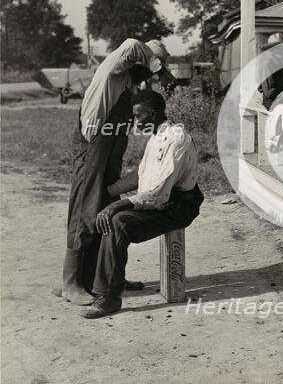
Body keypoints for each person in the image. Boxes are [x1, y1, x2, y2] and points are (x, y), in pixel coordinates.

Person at [57, 38, 176, 305]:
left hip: (109, 148)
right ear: (144, 62)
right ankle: (71, 282)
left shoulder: (127, 83)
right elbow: (134, 44)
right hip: (93, 147)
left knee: (106, 206)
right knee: (85, 208)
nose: (148, 77)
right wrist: (160, 69)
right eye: (149, 69)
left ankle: (105, 278)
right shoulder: (115, 67)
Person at [82, 90, 203, 318]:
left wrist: (115, 206)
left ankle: (109, 297)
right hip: (163, 201)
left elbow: (156, 195)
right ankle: (110, 279)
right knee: (107, 212)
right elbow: (142, 175)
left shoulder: (176, 140)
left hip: (179, 207)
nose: (135, 122)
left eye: (138, 116)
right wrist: (107, 193)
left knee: (118, 221)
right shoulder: (157, 135)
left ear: (153, 113)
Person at [257, 32, 283, 110]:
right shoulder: (267, 65)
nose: (282, 50)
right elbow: (270, 92)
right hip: (273, 105)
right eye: (278, 48)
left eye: (282, 47)